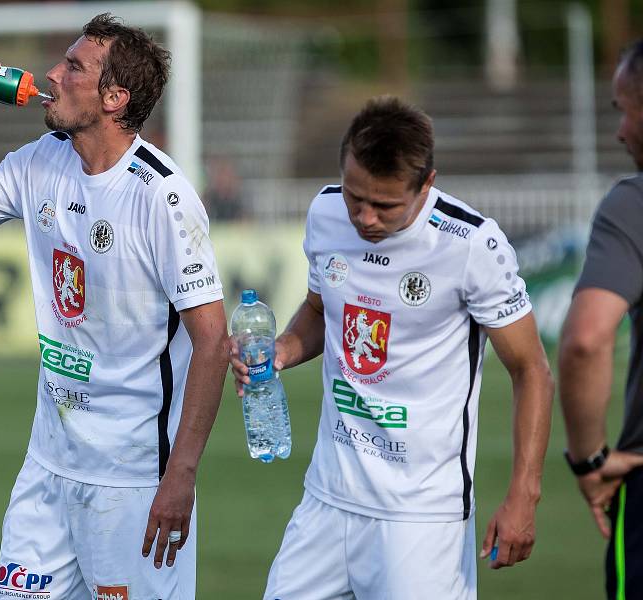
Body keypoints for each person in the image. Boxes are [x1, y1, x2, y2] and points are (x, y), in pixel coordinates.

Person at [0, 13, 228, 600]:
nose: (52, 73)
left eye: (73, 66)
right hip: (48, 465)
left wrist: (181, 476)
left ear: (114, 97)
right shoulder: (41, 159)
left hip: (134, 480)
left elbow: (211, 339)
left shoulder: (163, 196)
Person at [231, 96, 554, 599]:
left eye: (385, 205)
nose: (365, 217)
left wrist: (524, 495)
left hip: (420, 515)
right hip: (327, 497)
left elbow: (531, 368)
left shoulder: (471, 245)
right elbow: (318, 312)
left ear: (426, 184)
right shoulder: (324, 212)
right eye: (355, 197)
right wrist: (284, 350)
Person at [559, 39, 643, 600]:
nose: (620, 131)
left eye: (624, 109)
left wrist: (590, 460)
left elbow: (587, 341)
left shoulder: (632, 204)